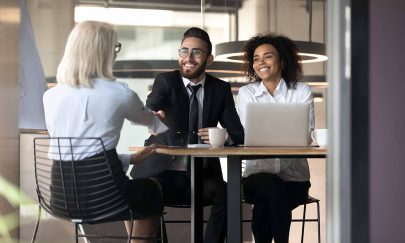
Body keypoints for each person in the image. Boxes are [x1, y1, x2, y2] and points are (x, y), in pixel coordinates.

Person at [42, 20, 168, 243]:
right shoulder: (119, 93)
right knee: (150, 189)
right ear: (105, 51)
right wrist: (158, 119)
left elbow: (76, 155)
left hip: (60, 198)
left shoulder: (50, 96)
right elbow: (155, 126)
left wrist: (130, 158)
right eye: (115, 47)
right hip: (104, 198)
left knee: (135, 191)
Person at [143, 27, 244, 243]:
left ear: (210, 59)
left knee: (228, 193)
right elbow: (152, 103)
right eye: (184, 51)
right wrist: (153, 114)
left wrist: (223, 136)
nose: (188, 58)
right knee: (147, 192)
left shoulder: (220, 89)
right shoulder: (166, 81)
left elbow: (238, 133)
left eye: (196, 52)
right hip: (164, 172)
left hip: (203, 176)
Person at [237, 34, 315, 243]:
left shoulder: (301, 91)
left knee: (268, 199)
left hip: (295, 179)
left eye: (268, 56)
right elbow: (246, 135)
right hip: (256, 177)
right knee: (271, 189)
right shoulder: (246, 93)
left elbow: (305, 135)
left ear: (282, 60)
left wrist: (267, 137)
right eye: (256, 58)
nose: (260, 62)